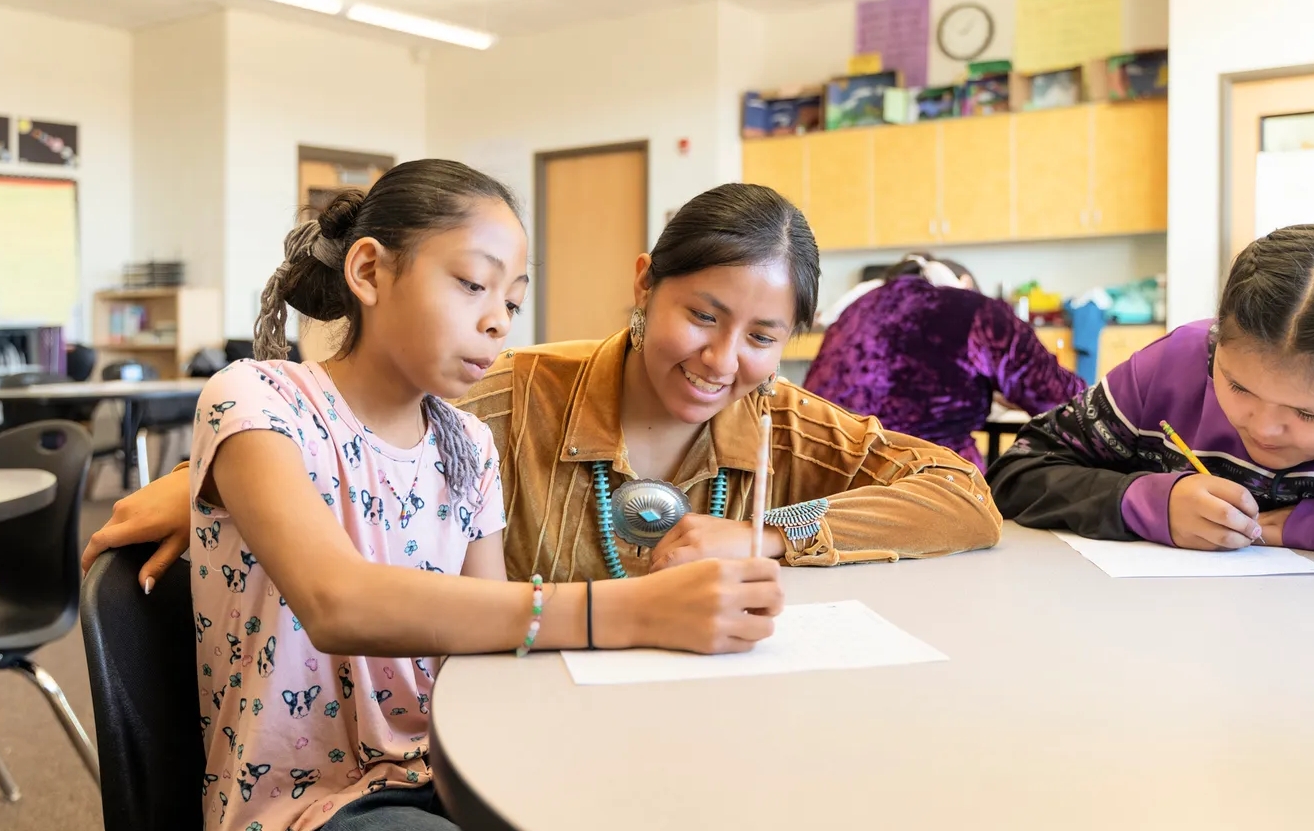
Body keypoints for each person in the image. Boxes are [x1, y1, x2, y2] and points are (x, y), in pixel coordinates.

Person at [180, 159, 785, 831]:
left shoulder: (467, 444)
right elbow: (337, 601)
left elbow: (493, 641)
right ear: (369, 270)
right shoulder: (257, 400)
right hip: (307, 824)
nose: (500, 321)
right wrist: (622, 611)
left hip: (456, 779)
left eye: (513, 300)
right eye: (473, 285)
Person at [84, 186, 1002, 591]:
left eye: (763, 336)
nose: (723, 358)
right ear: (644, 285)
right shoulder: (516, 391)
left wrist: (770, 533)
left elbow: (963, 497)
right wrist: (207, 480)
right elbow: (336, 421)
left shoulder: (777, 420)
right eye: (703, 315)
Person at [988, 216, 1314, 566]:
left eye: (1307, 414)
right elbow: (1016, 472)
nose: (1264, 429)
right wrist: (1148, 503)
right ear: (1216, 340)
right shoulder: (1172, 365)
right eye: (1237, 386)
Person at [804, 253, 1086, 469]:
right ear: (965, 285)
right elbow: (1066, 399)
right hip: (931, 484)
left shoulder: (856, 310)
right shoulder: (979, 311)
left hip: (829, 480)